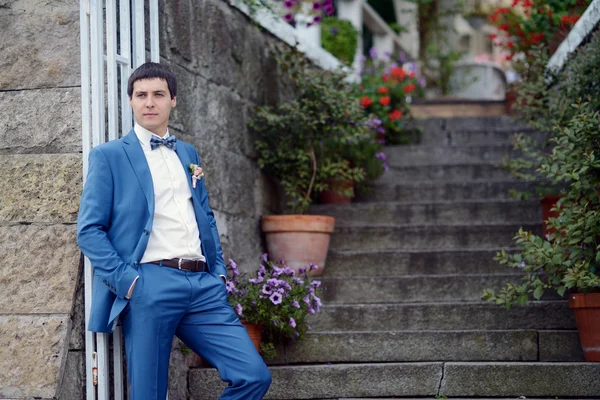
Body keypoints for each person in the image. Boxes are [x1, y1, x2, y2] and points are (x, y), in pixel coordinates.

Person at [77, 62, 272, 400]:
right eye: (141, 95)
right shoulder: (109, 156)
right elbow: (89, 230)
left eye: (158, 94)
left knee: (253, 376)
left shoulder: (188, 153)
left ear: (173, 101)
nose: (149, 102)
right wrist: (129, 282)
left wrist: (220, 274)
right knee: (149, 394)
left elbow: (205, 216)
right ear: (131, 101)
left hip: (204, 287)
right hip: (150, 284)